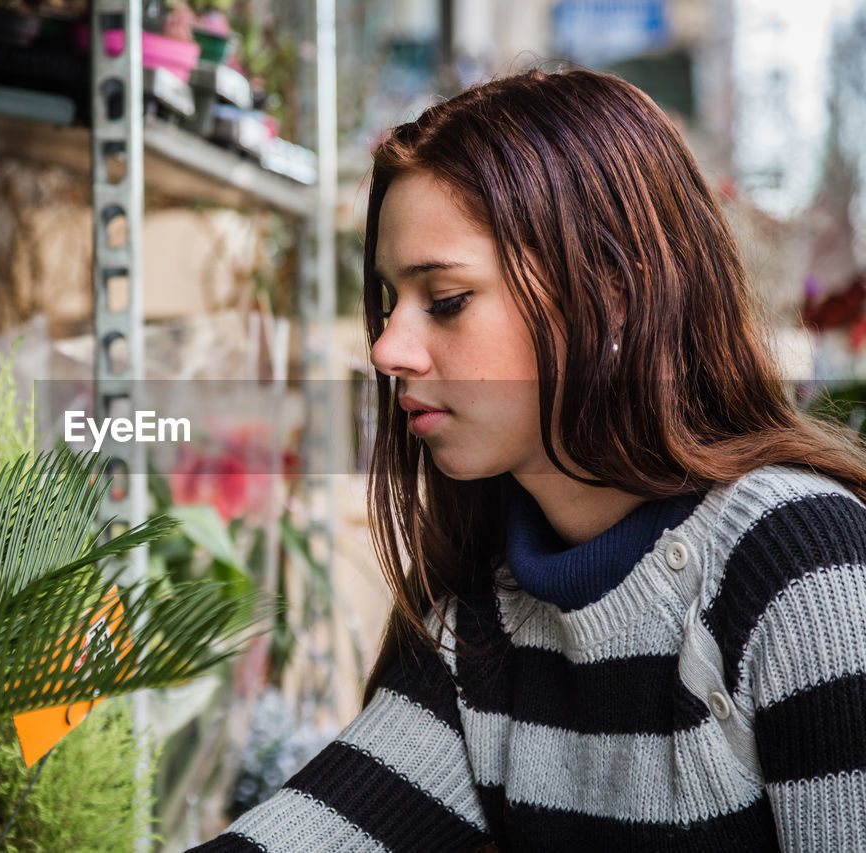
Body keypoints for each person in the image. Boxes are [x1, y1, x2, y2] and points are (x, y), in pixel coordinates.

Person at [189, 67, 866, 852]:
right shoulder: (477, 630)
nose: (386, 348)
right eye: (388, 301)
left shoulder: (800, 570)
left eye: (445, 300)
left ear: (612, 293)